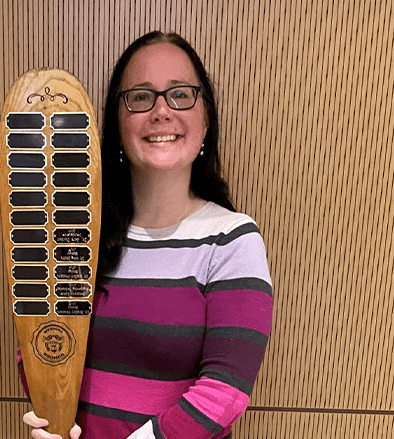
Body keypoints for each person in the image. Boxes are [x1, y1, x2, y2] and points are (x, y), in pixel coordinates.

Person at [20, 31, 273, 439]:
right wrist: (53, 415)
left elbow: (224, 392)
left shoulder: (232, 240)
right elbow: (42, 340)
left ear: (205, 118)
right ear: (118, 123)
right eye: (140, 97)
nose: (160, 111)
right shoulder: (76, 236)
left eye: (180, 94)